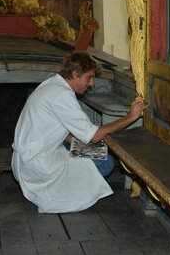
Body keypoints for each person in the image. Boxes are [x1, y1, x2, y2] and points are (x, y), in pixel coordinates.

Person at [12, 52, 146, 214]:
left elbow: (60, 130)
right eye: (89, 78)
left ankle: (76, 171)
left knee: (97, 151)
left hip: (28, 157)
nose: (91, 83)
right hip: (38, 164)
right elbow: (94, 135)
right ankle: (62, 191)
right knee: (106, 162)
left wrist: (80, 145)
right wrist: (131, 117)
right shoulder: (62, 94)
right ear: (75, 75)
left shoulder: (52, 84)